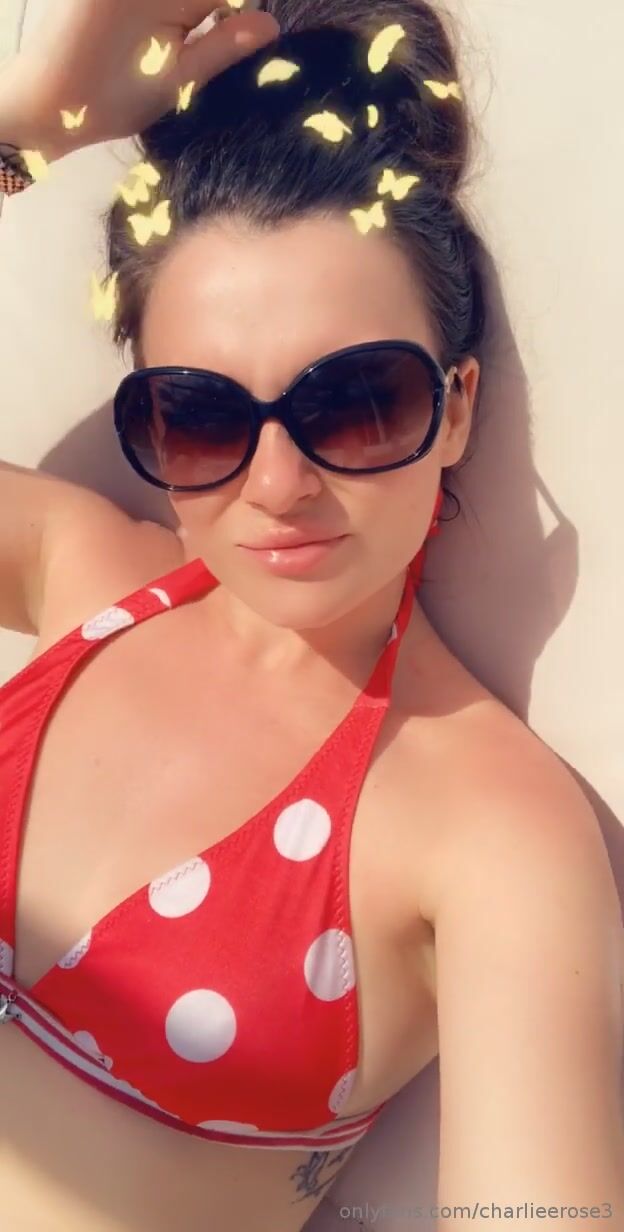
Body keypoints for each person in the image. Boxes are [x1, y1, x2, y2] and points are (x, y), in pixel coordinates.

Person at [0, 2, 623, 1230]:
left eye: (356, 402)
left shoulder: (489, 826)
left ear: (455, 408)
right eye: (201, 416)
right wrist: (25, 131)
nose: (278, 484)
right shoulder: (88, 580)